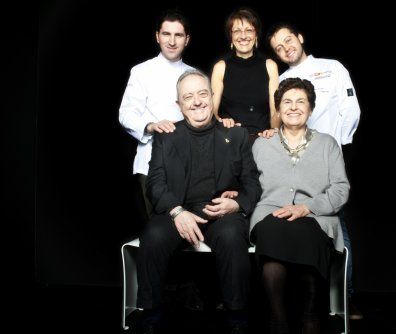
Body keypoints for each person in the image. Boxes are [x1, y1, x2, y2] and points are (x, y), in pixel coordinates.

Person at [137, 69, 262, 334]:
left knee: (232, 236)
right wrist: (177, 211)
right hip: (180, 211)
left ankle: (236, 317)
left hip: (221, 212)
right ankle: (150, 315)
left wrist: (238, 204)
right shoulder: (166, 135)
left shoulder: (236, 135)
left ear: (213, 96)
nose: (197, 102)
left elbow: (252, 182)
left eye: (202, 94)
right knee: (154, 235)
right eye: (188, 97)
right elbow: (155, 183)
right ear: (179, 104)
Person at [267, 23, 362, 319]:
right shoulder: (281, 79)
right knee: (301, 227)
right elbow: (277, 124)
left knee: (335, 226)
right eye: (278, 48)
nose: (286, 48)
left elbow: (352, 109)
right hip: (294, 163)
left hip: (329, 158)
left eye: (289, 40)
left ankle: (344, 300)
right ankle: (304, 301)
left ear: (301, 37)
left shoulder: (332, 68)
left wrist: (338, 149)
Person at [250, 78, 350, 334]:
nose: (293, 107)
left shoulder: (328, 144)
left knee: (308, 236)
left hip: (316, 218)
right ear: (278, 108)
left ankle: (310, 318)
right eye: (287, 102)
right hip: (270, 215)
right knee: (272, 240)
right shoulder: (261, 144)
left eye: (300, 101)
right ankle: (278, 322)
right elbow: (248, 185)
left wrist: (307, 208)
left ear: (311, 108)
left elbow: (341, 189)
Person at [119, 10, 193, 220]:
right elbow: (126, 113)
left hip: (191, 166)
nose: (171, 41)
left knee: (191, 232)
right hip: (151, 162)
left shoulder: (196, 75)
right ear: (157, 36)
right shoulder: (141, 71)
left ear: (187, 40)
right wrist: (150, 125)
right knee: (158, 231)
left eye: (178, 35)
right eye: (166, 34)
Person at [211, 7, 280, 140]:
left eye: (249, 30)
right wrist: (221, 121)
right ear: (231, 37)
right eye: (237, 31)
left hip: (263, 139)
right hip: (229, 138)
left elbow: (274, 112)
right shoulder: (220, 67)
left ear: (256, 35)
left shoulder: (270, 65)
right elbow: (212, 113)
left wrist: (273, 130)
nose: (243, 36)